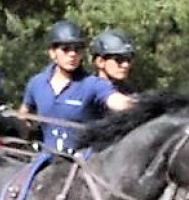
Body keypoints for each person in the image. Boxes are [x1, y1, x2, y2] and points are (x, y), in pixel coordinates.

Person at [19, 19, 134, 152]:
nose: (72, 54)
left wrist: (150, 106)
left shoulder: (93, 84)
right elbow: (24, 117)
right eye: (65, 49)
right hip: (45, 162)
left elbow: (118, 102)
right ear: (52, 52)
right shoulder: (36, 83)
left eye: (77, 49)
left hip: (82, 164)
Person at [90, 28, 136, 94]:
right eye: (119, 59)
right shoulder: (86, 90)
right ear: (100, 62)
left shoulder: (129, 92)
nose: (126, 65)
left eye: (129, 59)